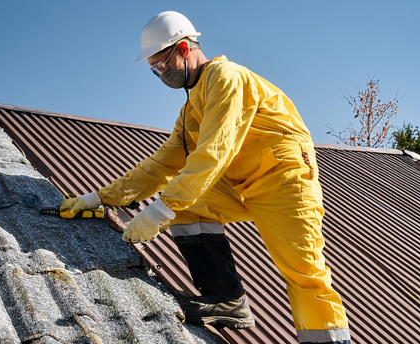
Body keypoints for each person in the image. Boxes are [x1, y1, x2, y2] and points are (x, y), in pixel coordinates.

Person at [60, 11, 351, 344]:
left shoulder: (227, 78)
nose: (160, 73)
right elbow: (160, 165)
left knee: (304, 274)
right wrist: (101, 197)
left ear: (184, 49)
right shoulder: (191, 108)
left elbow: (214, 153)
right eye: (154, 69)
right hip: (240, 185)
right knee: (184, 206)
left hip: (284, 179)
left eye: (161, 65)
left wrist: (159, 211)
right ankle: (226, 300)